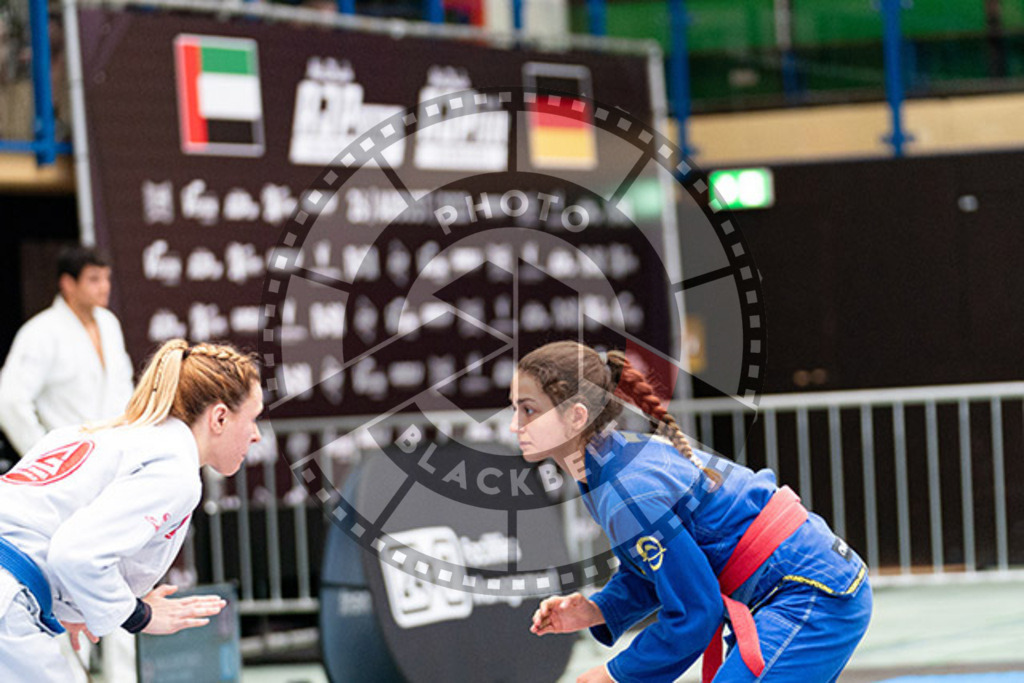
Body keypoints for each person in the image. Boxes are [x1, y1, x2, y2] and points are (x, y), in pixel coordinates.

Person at [512, 341, 872, 683]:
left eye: (528, 410)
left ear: (576, 416)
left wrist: (618, 673)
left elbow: (697, 612)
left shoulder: (626, 489)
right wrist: (599, 609)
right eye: (514, 408)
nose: (515, 425)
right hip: (804, 583)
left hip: (808, 591)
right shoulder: (611, 461)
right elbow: (665, 567)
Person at [0, 339, 262, 682]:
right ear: (220, 417)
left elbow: (39, 528)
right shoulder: (174, 469)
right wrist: (140, 615)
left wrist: (71, 605)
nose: (256, 435)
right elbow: (76, 553)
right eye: (254, 418)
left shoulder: (101, 434)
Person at [0, 245, 134, 456]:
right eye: (94, 279)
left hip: (114, 452)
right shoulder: (41, 331)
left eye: (106, 278)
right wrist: (42, 456)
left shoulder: (109, 324)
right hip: (66, 458)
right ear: (68, 284)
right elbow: (9, 400)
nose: (104, 287)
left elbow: (123, 386)